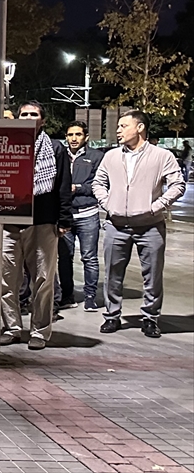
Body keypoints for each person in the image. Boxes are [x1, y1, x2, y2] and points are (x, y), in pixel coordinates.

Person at [94, 111, 185, 338]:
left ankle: (150, 318)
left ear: (140, 128)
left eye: (124, 126)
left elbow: (178, 184)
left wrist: (156, 206)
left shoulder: (162, 156)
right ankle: (112, 316)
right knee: (113, 275)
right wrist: (108, 203)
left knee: (152, 275)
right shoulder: (111, 156)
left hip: (150, 225)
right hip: (116, 224)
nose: (118, 130)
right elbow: (98, 182)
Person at [0, 101, 71, 351]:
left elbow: (63, 185)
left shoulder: (55, 148)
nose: (29, 117)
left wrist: (64, 219)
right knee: (6, 279)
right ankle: (11, 327)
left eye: (34, 114)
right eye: (24, 114)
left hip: (42, 222)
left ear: (42, 119)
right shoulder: (7, 144)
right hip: (9, 222)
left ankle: (40, 330)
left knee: (43, 279)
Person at [63, 121, 105, 312]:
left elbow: (99, 185)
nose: (73, 138)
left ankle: (90, 297)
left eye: (78, 134)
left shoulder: (96, 157)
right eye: (70, 134)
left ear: (86, 137)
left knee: (89, 258)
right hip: (65, 215)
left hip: (88, 214)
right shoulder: (60, 154)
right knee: (64, 258)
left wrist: (77, 188)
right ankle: (67, 295)